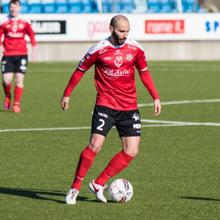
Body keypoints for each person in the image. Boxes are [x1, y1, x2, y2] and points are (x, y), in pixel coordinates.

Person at [61, 15, 161, 205]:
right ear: (111, 29)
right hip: (105, 104)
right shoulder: (99, 49)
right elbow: (80, 70)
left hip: (129, 107)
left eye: (127, 31)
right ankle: (74, 188)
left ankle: (99, 183)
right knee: (95, 145)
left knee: (131, 150)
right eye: (121, 31)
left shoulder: (136, 49)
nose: (124, 35)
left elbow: (144, 73)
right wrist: (67, 94)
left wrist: (155, 96)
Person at [0, 0, 37, 113]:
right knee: (6, 80)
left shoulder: (25, 21)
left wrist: (34, 49)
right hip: (8, 54)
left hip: (21, 54)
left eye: (15, 7)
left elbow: (31, 35)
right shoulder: (4, 20)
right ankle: (7, 96)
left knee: (19, 79)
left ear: (19, 8)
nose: (13, 9)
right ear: (9, 8)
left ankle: (16, 104)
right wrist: (1, 47)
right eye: (11, 7)